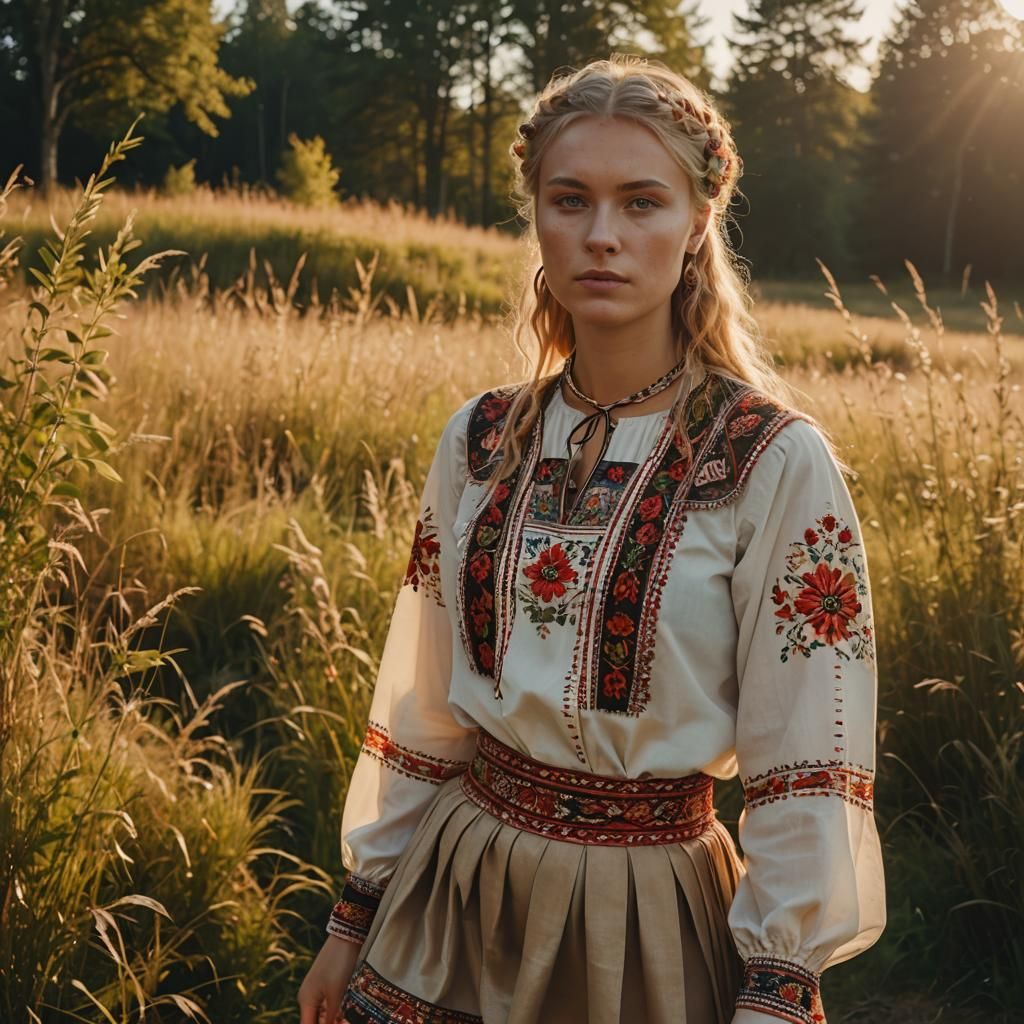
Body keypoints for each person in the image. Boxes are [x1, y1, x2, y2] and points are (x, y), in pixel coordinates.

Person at [298, 54, 886, 1024]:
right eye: (570, 199)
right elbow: (423, 704)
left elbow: (803, 751)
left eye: (641, 202)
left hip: (643, 921)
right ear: (535, 212)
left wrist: (779, 988)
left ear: (698, 221)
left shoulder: (769, 460)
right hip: (454, 898)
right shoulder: (481, 437)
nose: (602, 236)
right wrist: (352, 915)